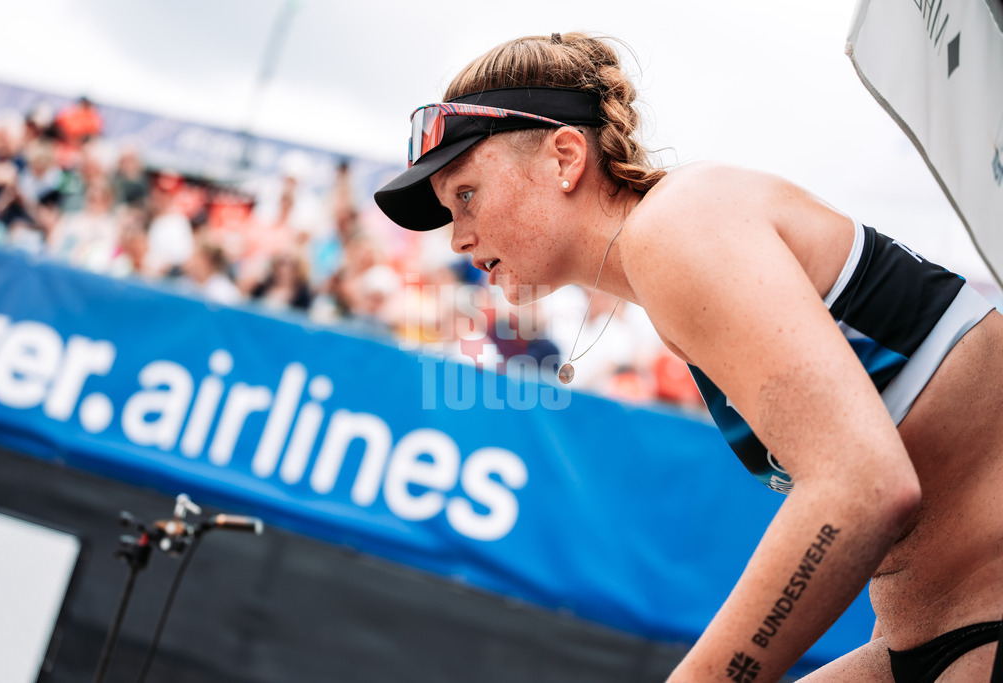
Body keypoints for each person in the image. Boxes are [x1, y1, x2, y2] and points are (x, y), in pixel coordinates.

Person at [373, 32, 1003, 683]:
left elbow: (864, 488)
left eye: (467, 194)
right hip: (934, 634)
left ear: (565, 155)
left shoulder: (678, 227)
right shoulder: (672, 249)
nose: (457, 237)